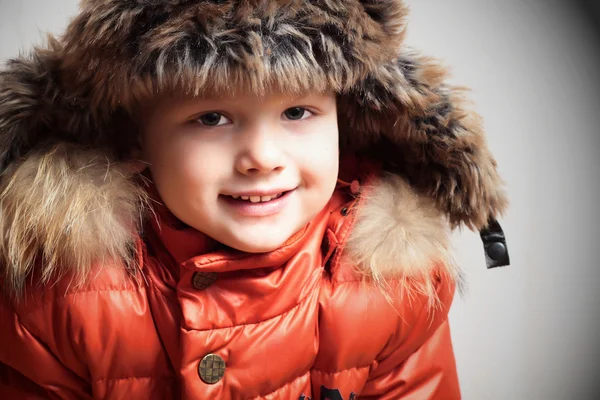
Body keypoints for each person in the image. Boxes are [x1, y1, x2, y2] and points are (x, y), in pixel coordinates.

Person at [0, 0, 507, 399]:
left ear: (346, 123)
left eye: (298, 112)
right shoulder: (56, 292)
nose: (263, 158)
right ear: (135, 138)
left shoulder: (393, 285)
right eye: (211, 118)